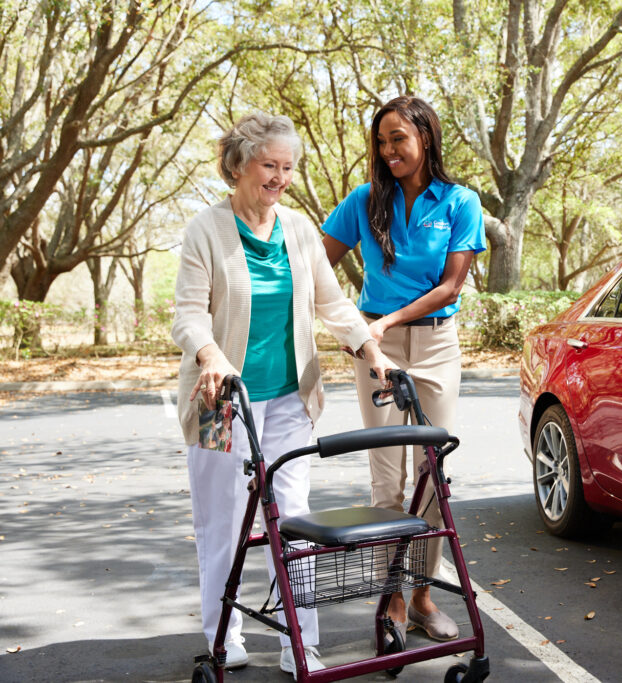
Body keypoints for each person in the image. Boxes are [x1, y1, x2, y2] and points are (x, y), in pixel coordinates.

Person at [172, 112, 392, 676]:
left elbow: (333, 302)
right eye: (270, 165)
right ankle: (224, 635)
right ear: (240, 165)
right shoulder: (206, 230)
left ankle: (302, 642)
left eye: (288, 167)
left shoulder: (297, 229)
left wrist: (370, 349)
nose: (279, 177)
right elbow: (188, 315)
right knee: (222, 521)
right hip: (224, 402)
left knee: (291, 518)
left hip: (294, 398)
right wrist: (210, 355)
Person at [321, 96, 486, 644]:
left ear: (426, 138)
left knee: (431, 476)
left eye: (400, 139)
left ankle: (421, 595)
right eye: (382, 141)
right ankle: (390, 598)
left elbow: (451, 286)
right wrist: (352, 325)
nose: (389, 150)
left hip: (435, 346)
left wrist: (386, 320)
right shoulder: (365, 201)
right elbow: (315, 264)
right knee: (387, 478)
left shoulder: (460, 201)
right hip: (375, 349)